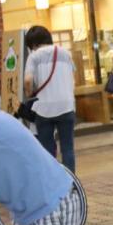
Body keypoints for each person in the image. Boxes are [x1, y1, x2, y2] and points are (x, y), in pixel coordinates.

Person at [24, 25, 77, 173]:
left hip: (44, 109)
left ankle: (51, 181)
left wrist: (29, 94)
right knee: (68, 149)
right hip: (66, 106)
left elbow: (28, 80)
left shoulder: (34, 56)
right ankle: (71, 184)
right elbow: (73, 78)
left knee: (47, 150)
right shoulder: (65, 53)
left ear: (33, 44)